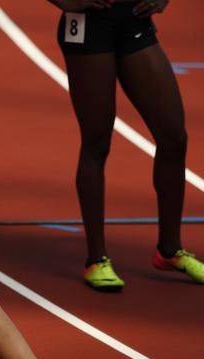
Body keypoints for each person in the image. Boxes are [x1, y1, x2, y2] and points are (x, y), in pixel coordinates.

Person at [48, 0, 204, 290]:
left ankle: (170, 251)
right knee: (97, 141)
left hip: (133, 18)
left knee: (174, 136)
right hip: (87, 25)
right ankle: (97, 259)